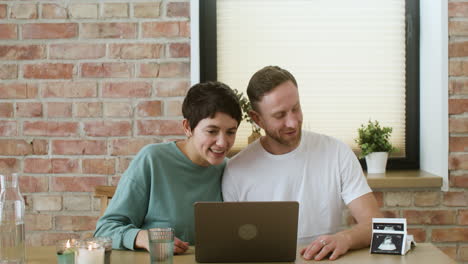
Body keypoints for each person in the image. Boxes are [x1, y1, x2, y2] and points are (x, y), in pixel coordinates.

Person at [222, 66, 383, 261]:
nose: (292, 122)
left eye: (295, 109)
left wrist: (345, 238)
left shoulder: (337, 153)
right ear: (257, 119)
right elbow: (233, 245)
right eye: (280, 115)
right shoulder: (236, 170)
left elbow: (375, 225)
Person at [94, 81, 242, 253]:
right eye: (212, 131)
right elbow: (104, 230)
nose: (223, 143)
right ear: (188, 127)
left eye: (230, 132)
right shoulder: (152, 160)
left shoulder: (230, 170)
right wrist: (142, 237)